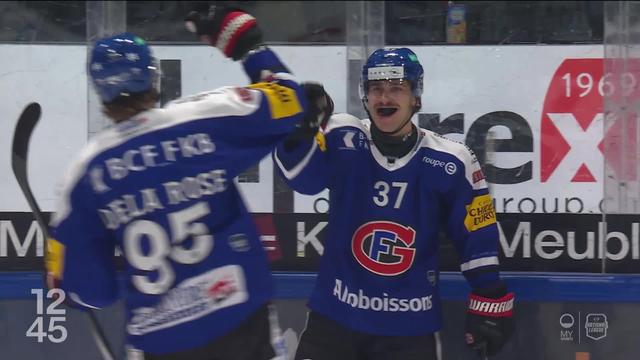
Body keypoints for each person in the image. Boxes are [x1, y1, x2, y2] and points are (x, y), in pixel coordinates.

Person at [45, 6, 328, 360]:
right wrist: (246, 46)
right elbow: (292, 101)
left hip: (159, 343)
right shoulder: (205, 118)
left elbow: (91, 293)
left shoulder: (85, 174)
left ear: (102, 95)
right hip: (239, 319)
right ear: (155, 77)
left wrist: (63, 282)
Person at [273, 48, 515, 360]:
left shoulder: (452, 160)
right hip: (334, 320)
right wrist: (300, 133)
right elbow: (301, 181)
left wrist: (490, 296)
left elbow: (476, 236)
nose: (385, 98)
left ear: (416, 97)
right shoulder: (343, 134)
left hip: (408, 329)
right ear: (365, 96)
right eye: (376, 89)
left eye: (396, 88)